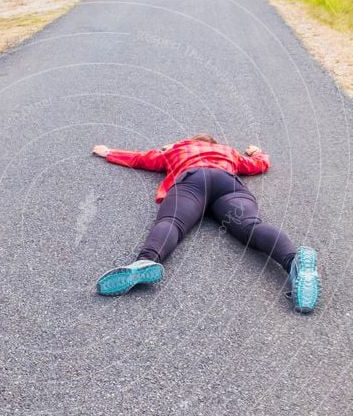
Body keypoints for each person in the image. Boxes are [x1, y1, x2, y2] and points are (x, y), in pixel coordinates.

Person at [92, 134, 321, 314]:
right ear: (214, 143)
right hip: (228, 183)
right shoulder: (227, 152)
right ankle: (294, 261)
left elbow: (141, 159)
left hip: (194, 179)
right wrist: (257, 152)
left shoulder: (179, 148)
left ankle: (146, 261)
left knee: (172, 221)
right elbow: (258, 165)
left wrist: (109, 152)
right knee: (251, 226)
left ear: (192, 141)